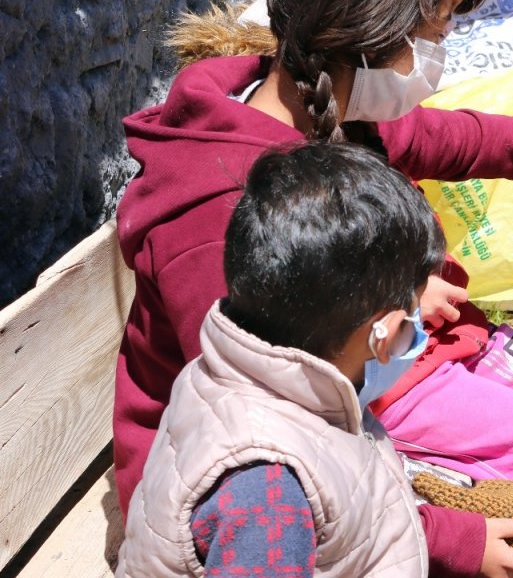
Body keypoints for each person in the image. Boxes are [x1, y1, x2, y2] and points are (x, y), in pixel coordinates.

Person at [114, 0, 513, 575]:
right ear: (369, 27)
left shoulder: (329, 108)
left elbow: (465, 138)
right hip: (323, 419)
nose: (440, 54)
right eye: (436, 29)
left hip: (388, 362)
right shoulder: (218, 211)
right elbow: (273, 424)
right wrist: (454, 541)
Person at [117, 141, 483, 576]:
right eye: (414, 314)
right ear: (383, 335)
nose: (418, 328)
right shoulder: (267, 494)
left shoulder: (241, 368)